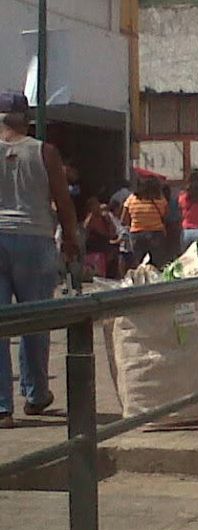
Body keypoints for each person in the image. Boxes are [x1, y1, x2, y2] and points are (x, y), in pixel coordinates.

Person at [0, 92, 79, 428]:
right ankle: (35, 394)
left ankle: (2, 407)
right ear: (26, 119)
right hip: (35, 239)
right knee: (35, 320)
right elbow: (62, 200)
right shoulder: (44, 152)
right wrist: (72, 240)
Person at [123, 177, 168, 268]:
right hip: (156, 233)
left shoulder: (131, 199)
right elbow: (166, 215)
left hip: (136, 234)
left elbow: (123, 219)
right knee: (157, 263)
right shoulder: (159, 199)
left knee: (138, 263)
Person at [83, 197, 117, 278]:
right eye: (94, 205)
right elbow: (86, 228)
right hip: (94, 251)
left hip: (106, 248)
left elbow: (112, 232)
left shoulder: (105, 218)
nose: (98, 206)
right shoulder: (90, 219)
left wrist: (108, 221)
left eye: (97, 204)